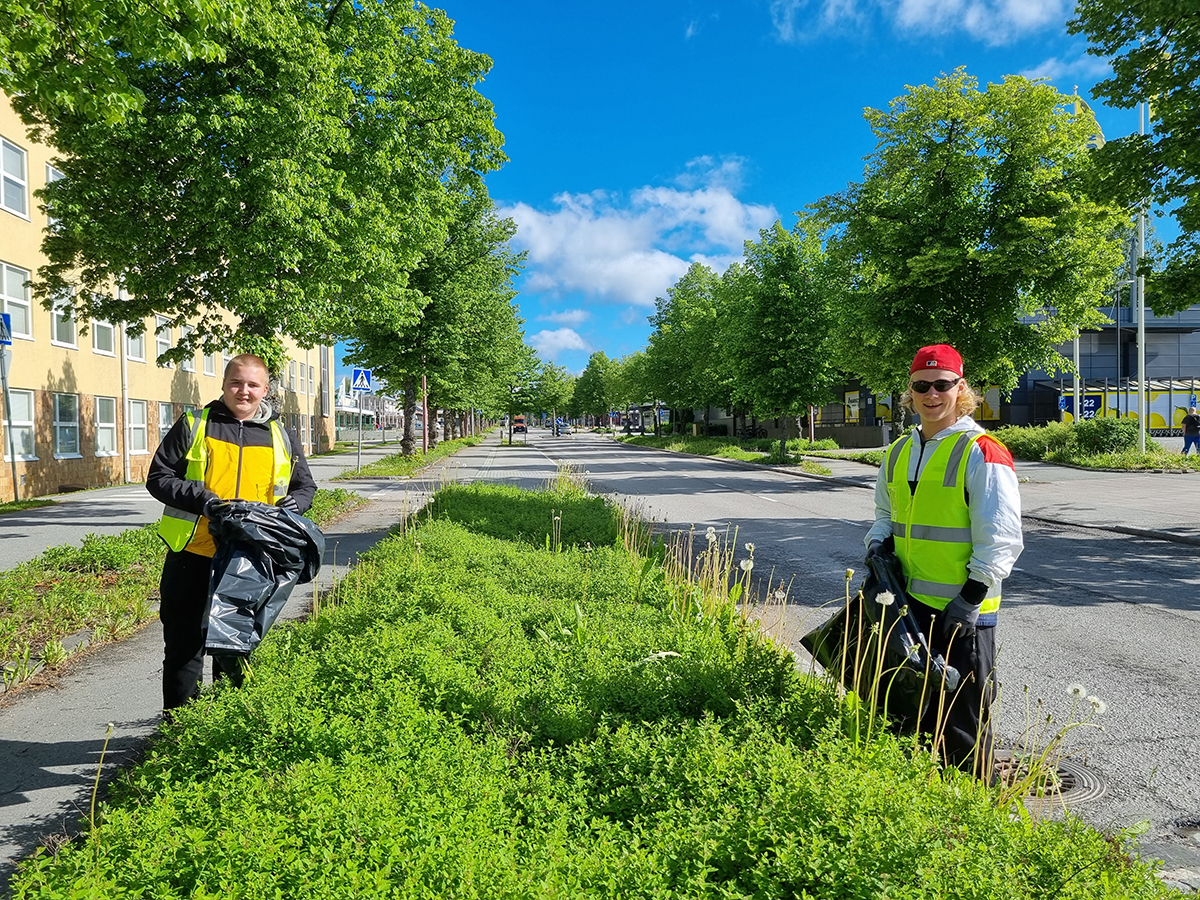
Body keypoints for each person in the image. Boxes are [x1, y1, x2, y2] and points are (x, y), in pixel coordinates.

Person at [864, 344, 1024, 780]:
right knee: (908, 713)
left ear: (960, 388)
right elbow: (884, 513)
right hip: (907, 605)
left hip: (962, 614)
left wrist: (970, 598)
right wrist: (878, 544)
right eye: (922, 386)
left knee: (962, 727)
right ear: (910, 393)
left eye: (942, 385)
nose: (932, 394)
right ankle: (924, 808)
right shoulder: (897, 452)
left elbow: (1003, 538)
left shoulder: (982, 451)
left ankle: (976, 818)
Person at [147, 353, 317, 711]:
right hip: (193, 553)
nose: (244, 391)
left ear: (265, 390)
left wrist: (294, 506)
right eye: (236, 383)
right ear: (224, 385)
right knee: (183, 647)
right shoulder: (195, 424)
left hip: (248, 561)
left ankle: (223, 728)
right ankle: (180, 731)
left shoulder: (279, 434)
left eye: (253, 385)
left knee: (234, 646)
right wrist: (204, 501)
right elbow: (159, 477)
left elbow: (305, 487)